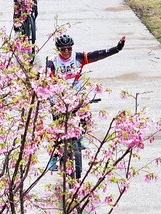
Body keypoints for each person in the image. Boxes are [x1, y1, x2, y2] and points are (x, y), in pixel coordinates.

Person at [45, 33, 126, 171]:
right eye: (63, 49)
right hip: (58, 96)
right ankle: (53, 157)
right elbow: (47, 82)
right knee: (57, 127)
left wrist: (117, 48)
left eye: (69, 49)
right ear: (58, 50)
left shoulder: (78, 57)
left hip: (76, 94)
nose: (66, 52)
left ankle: (81, 135)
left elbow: (98, 55)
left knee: (85, 112)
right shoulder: (52, 62)